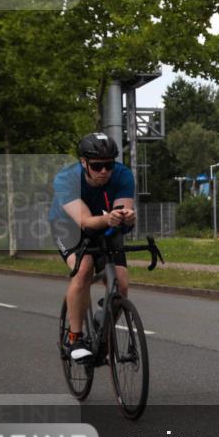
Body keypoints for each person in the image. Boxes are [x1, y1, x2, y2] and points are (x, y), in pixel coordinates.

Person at [49, 133, 136, 361]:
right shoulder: (65, 179)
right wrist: (109, 219)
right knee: (84, 269)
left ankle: (102, 328)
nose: (104, 171)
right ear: (83, 162)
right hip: (68, 226)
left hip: (104, 224)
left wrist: (126, 217)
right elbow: (86, 222)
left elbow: (121, 212)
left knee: (121, 284)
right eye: (97, 166)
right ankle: (75, 339)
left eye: (109, 165)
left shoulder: (123, 175)